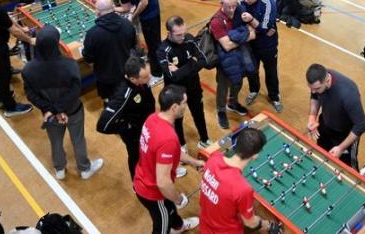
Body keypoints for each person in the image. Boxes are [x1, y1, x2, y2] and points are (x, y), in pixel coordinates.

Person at [23, 25, 104, 180]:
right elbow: (74, 91)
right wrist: (59, 109)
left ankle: (59, 169)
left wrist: (51, 110)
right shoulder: (70, 65)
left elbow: (30, 94)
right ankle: (85, 169)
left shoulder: (28, 69)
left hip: (49, 115)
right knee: (78, 139)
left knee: (55, 141)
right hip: (72, 110)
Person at [133, 85, 205, 234]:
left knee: (170, 207)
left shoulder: (153, 118)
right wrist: (179, 199)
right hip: (153, 193)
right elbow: (163, 183)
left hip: (143, 178)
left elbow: (173, 152)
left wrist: (195, 162)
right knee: (161, 228)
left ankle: (178, 226)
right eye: (184, 103)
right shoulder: (168, 138)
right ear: (174, 107)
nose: (186, 106)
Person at [199, 128, 282, 234]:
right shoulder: (243, 188)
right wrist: (267, 225)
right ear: (255, 155)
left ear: (236, 143)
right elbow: (250, 222)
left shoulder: (214, 158)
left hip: (205, 226)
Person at [157, 16, 212, 151]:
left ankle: (204, 139)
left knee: (198, 113)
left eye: (184, 32)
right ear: (169, 33)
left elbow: (203, 60)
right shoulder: (163, 51)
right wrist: (192, 62)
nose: (183, 37)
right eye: (178, 34)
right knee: (177, 119)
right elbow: (172, 77)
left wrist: (182, 69)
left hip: (193, 87)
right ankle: (181, 145)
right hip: (175, 93)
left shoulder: (189, 39)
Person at [97, 57, 154, 179]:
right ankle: (136, 181)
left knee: (150, 151)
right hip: (134, 135)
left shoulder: (140, 81)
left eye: (149, 74)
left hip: (148, 126)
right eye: (145, 77)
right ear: (133, 79)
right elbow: (103, 125)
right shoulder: (123, 95)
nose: (150, 78)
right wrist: (128, 126)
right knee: (136, 156)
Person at [110, 0, 163, 84]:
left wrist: (133, 16)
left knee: (154, 44)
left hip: (149, 15)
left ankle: (158, 73)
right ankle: (156, 66)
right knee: (153, 44)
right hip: (149, 13)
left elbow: (144, 1)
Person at [305, 63, 365, 169]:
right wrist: (312, 117)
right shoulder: (318, 80)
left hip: (345, 134)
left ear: (327, 81)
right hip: (326, 124)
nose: (313, 91)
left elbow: (361, 125)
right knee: (322, 156)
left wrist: (341, 148)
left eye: (317, 88)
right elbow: (315, 96)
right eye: (312, 88)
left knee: (347, 168)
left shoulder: (348, 94)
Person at [210, 0, 253, 129]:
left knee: (238, 82)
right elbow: (227, 46)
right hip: (225, 60)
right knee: (223, 86)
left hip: (239, 56)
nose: (232, 9)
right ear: (221, 3)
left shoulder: (240, 10)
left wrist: (239, 37)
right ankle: (221, 110)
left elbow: (253, 33)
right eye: (228, 6)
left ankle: (232, 103)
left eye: (234, 5)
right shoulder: (216, 21)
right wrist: (243, 36)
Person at [239, 0, 282, 112]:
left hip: (268, 45)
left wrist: (251, 21)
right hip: (251, 45)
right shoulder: (242, 3)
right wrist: (256, 29)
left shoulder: (268, 2)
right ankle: (253, 90)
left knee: (271, 71)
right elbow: (240, 24)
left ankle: (274, 97)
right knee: (252, 70)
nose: (245, 0)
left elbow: (265, 26)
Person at [82, 0, 136, 99]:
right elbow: (132, 46)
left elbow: (88, 57)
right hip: (127, 73)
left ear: (97, 12)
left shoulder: (92, 34)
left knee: (110, 102)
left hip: (106, 78)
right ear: (113, 8)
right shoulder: (128, 24)